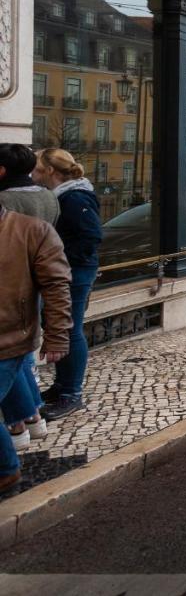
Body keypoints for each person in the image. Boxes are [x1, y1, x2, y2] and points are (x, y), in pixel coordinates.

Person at [0, 202, 72, 492]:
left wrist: (57, 335)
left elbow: (56, 285)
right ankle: (27, 421)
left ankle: (6, 470)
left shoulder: (32, 230)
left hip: (10, 337)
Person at [32, 149, 102, 421]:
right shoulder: (64, 196)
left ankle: (71, 393)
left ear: (50, 170)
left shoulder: (74, 197)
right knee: (60, 328)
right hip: (69, 271)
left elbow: (92, 236)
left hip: (75, 273)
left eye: (37, 168)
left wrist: (58, 258)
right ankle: (61, 387)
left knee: (69, 330)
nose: (33, 174)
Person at [0, 144, 60, 445]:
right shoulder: (48, 196)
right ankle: (31, 417)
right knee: (19, 353)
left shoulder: (5, 199)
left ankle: (18, 424)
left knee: (12, 354)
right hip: (38, 277)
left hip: (12, 281)